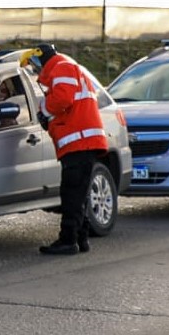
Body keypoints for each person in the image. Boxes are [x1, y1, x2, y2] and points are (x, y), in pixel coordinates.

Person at [20, 44, 108, 255]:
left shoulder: (61, 68)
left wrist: (44, 111)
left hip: (78, 143)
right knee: (78, 194)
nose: (35, 72)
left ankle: (68, 240)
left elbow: (62, 99)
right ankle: (80, 238)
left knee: (71, 194)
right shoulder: (66, 67)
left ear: (40, 60)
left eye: (33, 66)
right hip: (83, 143)